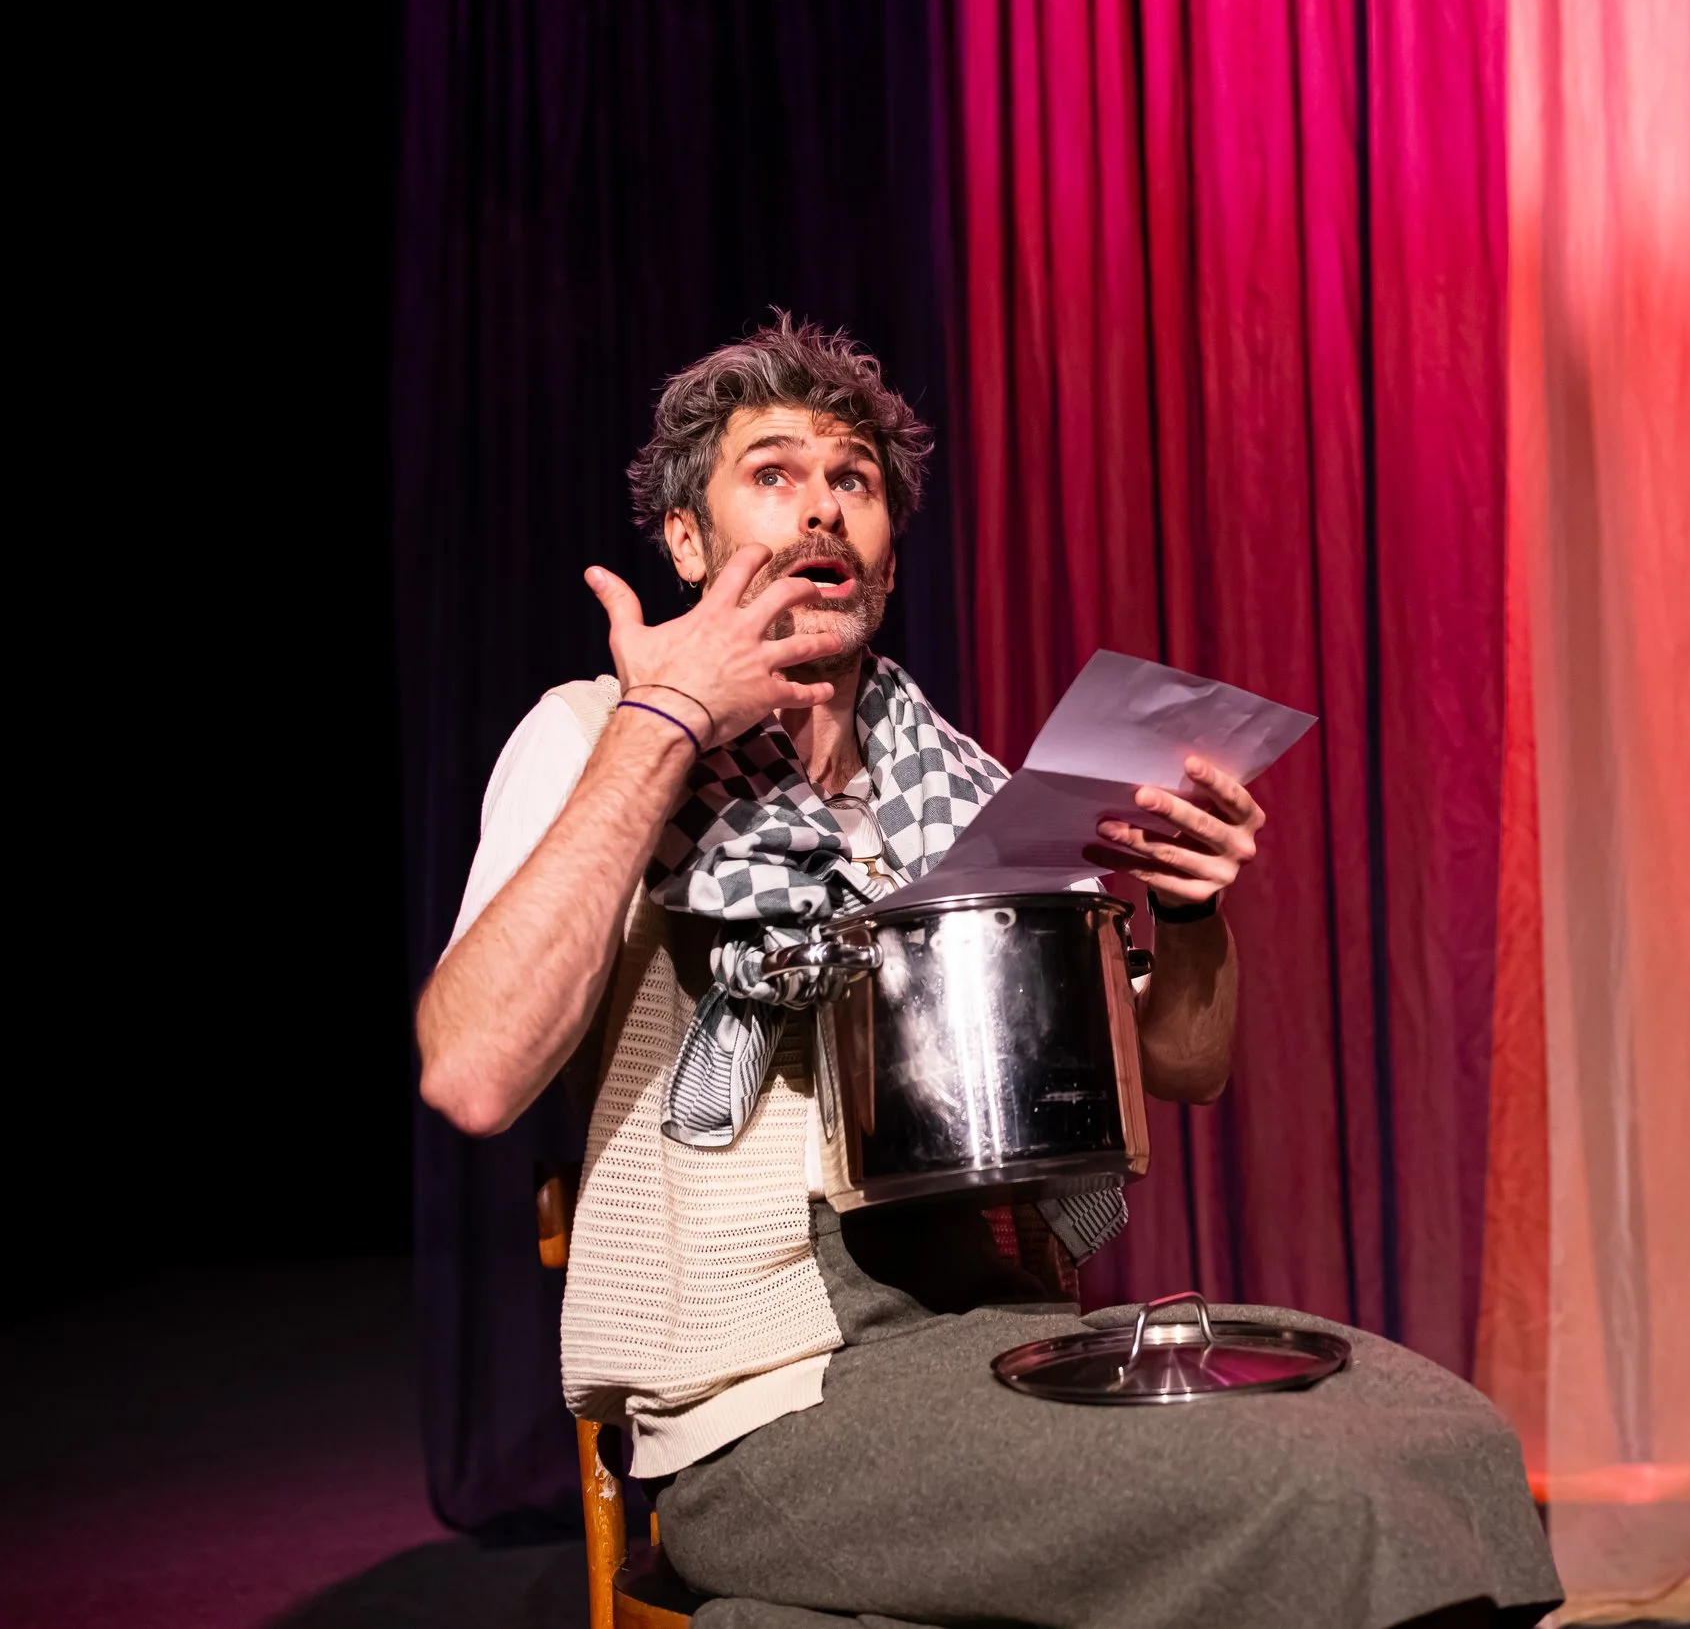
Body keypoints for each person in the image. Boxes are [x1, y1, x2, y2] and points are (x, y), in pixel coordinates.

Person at [417, 314, 1560, 1629]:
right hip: (769, 1401)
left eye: (853, 479)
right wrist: (664, 721)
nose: (822, 508)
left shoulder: (967, 796)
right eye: (773, 473)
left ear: (890, 547)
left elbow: (1181, 1063)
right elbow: (475, 1069)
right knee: (1310, 1488)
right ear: (688, 540)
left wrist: (1187, 913)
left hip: (999, 1343)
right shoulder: (590, 738)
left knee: (1441, 1432)